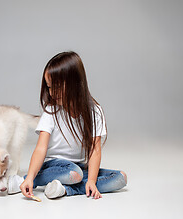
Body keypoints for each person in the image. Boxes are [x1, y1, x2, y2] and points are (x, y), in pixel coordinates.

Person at [9, 51, 127, 200]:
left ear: (75, 83)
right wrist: (30, 176)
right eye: (49, 87)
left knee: (120, 178)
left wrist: (91, 181)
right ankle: (24, 180)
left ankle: (63, 189)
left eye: (57, 86)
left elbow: (95, 150)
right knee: (73, 173)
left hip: (78, 167)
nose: (51, 93)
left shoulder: (95, 111)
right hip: (55, 166)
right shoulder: (51, 111)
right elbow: (41, 148)